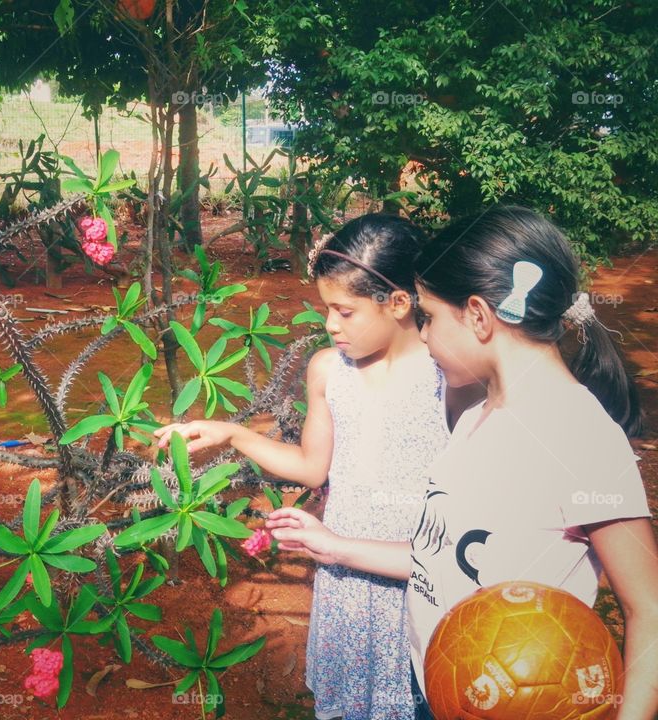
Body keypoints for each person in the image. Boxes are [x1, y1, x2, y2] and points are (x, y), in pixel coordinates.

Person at [266, 206, 658, 720]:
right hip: (438, 687)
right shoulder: (473, 416)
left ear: (478, 316)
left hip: (522, 701)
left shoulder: (579, 438)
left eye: (428, 317)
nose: (422, 335)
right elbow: (439, 558)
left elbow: (648, 608)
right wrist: (336, 547)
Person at [156, 213, 479, 720]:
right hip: (347, 582)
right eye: (326, 308)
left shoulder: (452, 376)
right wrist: (233, 433)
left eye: (344, 311)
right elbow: (311, 467)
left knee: (426, 698)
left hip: (422, 580)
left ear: (398, 303)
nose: (329, 325)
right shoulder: (329, 371)